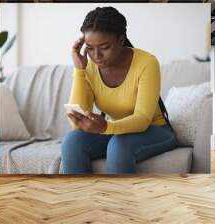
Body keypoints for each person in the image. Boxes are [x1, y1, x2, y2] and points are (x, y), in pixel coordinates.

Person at [61, 6, 177, 174]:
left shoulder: (147, 63)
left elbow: (142, 119)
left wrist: (106, 127)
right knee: (72, 141)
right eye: (90, 48)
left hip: (154, 130)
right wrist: (80, 70)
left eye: (104, 47)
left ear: (121, 40)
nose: (96, 55)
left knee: (119, 145)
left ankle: (119, 200)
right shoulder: (89, 65)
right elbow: (75, 123)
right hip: (115, 131)